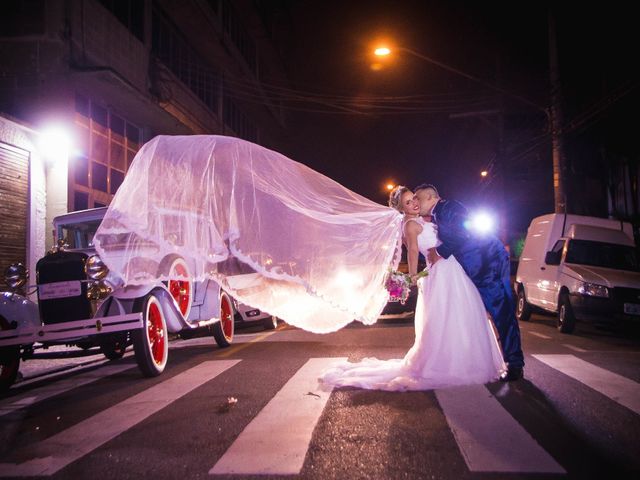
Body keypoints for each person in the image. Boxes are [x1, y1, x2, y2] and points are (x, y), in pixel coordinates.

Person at [319, 186, 505, 391]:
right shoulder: (410, 224)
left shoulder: (429, 218)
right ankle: (446, 364)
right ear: (402, 209)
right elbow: (414, 251)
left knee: (464, 314)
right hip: (440, 274)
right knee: (445, 318)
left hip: (454, 270)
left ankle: (470, 359)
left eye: (415, 199)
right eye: (408, 202)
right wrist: (413, 275)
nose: (414, 203)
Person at [413, 184, 524, 381]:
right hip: (477, 266)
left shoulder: (449, 207)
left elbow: (462, 233)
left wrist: (439, 252)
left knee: (501, 311)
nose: (415, 203)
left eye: (418, 198)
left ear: (430, 197)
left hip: (488, 263)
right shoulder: (439, 214)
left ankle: (515, 364)